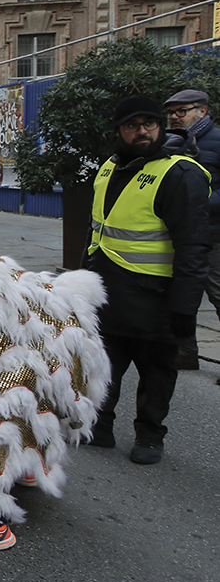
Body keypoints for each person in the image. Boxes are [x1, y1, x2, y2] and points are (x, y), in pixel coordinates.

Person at [85, 95, 211, 465]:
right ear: (119, 131)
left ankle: (150, 434)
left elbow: (193, 247)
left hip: (157, 298)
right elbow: (98, 231)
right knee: (104, 364)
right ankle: (100, 425)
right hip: (108, 290)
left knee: (156, 371)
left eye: (149, 124)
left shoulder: (179, 174)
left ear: (160, 126)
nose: (142, 131)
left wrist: (186, 308)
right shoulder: (108, 167)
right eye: (132, 125)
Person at [165, 89, 220, 335]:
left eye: (181, 111)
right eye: (170, 113)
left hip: (213, 235)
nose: (174, 117)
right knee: (182, 296)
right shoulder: (169, 143)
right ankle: (185, 352)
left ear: (202, 111)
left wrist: (199, 204)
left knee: (217, 292)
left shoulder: (217, 140)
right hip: (179, 235)